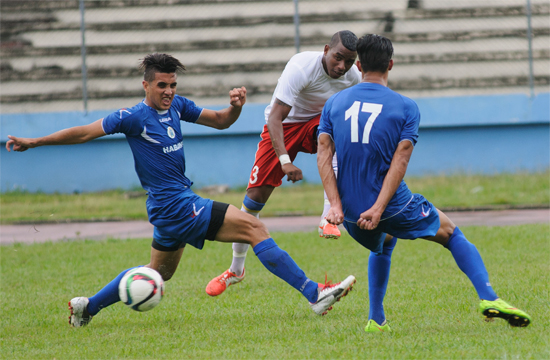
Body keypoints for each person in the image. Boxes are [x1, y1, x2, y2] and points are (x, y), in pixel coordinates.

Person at [6, 53, 356, 327]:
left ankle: (87, 307)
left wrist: (234, 107)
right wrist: (34, 142)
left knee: (160, 273)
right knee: (254, 227)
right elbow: (84, 132)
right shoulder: (131, 117)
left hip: (169, 206)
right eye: (162, 85)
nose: (168, 91)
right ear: (146, 86)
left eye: (172, 84)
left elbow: (220, 121)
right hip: (175, 205)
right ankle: (314, 294)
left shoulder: (178, 106)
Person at [316, 34, 532, 333]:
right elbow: (400, 160)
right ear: (391, 64)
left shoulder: (334, 103)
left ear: (360, 65)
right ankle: (489, 298)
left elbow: (324, 152)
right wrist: (379, 207)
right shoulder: (406, 107)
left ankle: (376, 321)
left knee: (384, 243)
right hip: (388, 206)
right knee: (452, 233)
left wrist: (336, 205)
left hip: (351, 214)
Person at [205, 31, 362, 297]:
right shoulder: (301, 66)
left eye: (349, 61)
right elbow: (275, 117)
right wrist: (285, 161)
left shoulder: (353, 78)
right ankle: (236, 270)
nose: (342, 66)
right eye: (338, 58)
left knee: (340, 132)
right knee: (253, 201)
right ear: (326, 49)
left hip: (317, 124)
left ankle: (328, 216)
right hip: (284, 126)